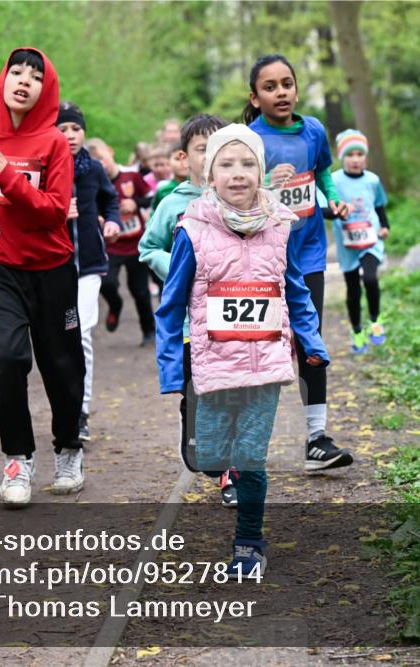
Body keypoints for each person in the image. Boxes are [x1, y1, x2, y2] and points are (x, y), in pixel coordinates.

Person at [155, 124, 329, 574]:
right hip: (213, 363)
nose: (238, 173)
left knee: (251, 459)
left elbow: (295, 291)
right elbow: (170, 305)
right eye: (226, 165)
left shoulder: (279, 227)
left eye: (248, 163)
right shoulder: (191, 231)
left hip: (266, 363)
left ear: (261, 171)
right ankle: (205, 442)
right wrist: (174, 370)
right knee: (210, 458)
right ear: (210, 175)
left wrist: (310, 341)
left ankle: (248, 544)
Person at [0, 47, 86, 502]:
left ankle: (69, 447)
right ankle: (18, 460)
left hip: (51, 268)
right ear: (3, 79)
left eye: (36, 76)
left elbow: (53, 213)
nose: (24, 80)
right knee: (8, 360)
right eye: (17, 72)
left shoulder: (53, 142)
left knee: (62, 365)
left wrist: (8, 179)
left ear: (44, 89)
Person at [244, 53, 353, 473]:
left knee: (311, 343)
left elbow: (323, 172)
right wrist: (269, 184)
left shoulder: (313, 130)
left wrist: (332, 198)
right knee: (264, 346)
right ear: (255, 98)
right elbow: (237, 192)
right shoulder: (248, 139)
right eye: (269, 87)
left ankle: (316, 440)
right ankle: (248, 446)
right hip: (263, 258)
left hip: (307, 254)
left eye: (286, 83)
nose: (280, 92)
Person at [138, 113, 236, 505]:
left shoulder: (240, 198)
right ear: (185, 157)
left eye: (220, 149)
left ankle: (231, 474)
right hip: (188, 324)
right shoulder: (172, 204)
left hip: (231, 317)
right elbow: (148, 248)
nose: (211, 156)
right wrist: (179, 271)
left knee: (232, 392)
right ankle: (194, 424)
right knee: (200, 391)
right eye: (202, 149)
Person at [56, 101, 121, 442]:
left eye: (75, 129)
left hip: (90, 265)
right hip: (52, 267)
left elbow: (110, 200)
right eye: (62, 129)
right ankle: (63, 408)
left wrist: (112, 221)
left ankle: (80, 411)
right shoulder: (45, 167)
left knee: (81, 335)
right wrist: (55, 212)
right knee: (58, 342)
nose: (70, 135)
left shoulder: (93, 169)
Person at [328, 130, 388, 353]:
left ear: (366, 157)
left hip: (371, 238)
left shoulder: (373, 180)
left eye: (359, 154)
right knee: (353, 290)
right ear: (342, 157)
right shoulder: (333, 180)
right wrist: (338, 212)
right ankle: (356, 331)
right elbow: (324, 209)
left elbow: (379, 204)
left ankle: (375, 321)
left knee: (371, 278)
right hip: (347, 243)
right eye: (350, 154)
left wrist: (385, 226)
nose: (355, 159)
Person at [95, 139, 156, 345]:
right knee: (106, 283)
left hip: (136, 244)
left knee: (140, 291)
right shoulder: (94, 182)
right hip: (111, 245)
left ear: (110, 152)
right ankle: (115, 304)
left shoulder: (132, 176)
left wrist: (136, 203)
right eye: (95, 161)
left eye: (102, 158)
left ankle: (148, 331)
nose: (100, 164)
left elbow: (152, 198)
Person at [152, 143, 189, 210]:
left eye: (186, 158)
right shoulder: (163, 190)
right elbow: (154, 216)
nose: (182, 162)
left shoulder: (202, 188)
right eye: (177, 159)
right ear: (168, 162)